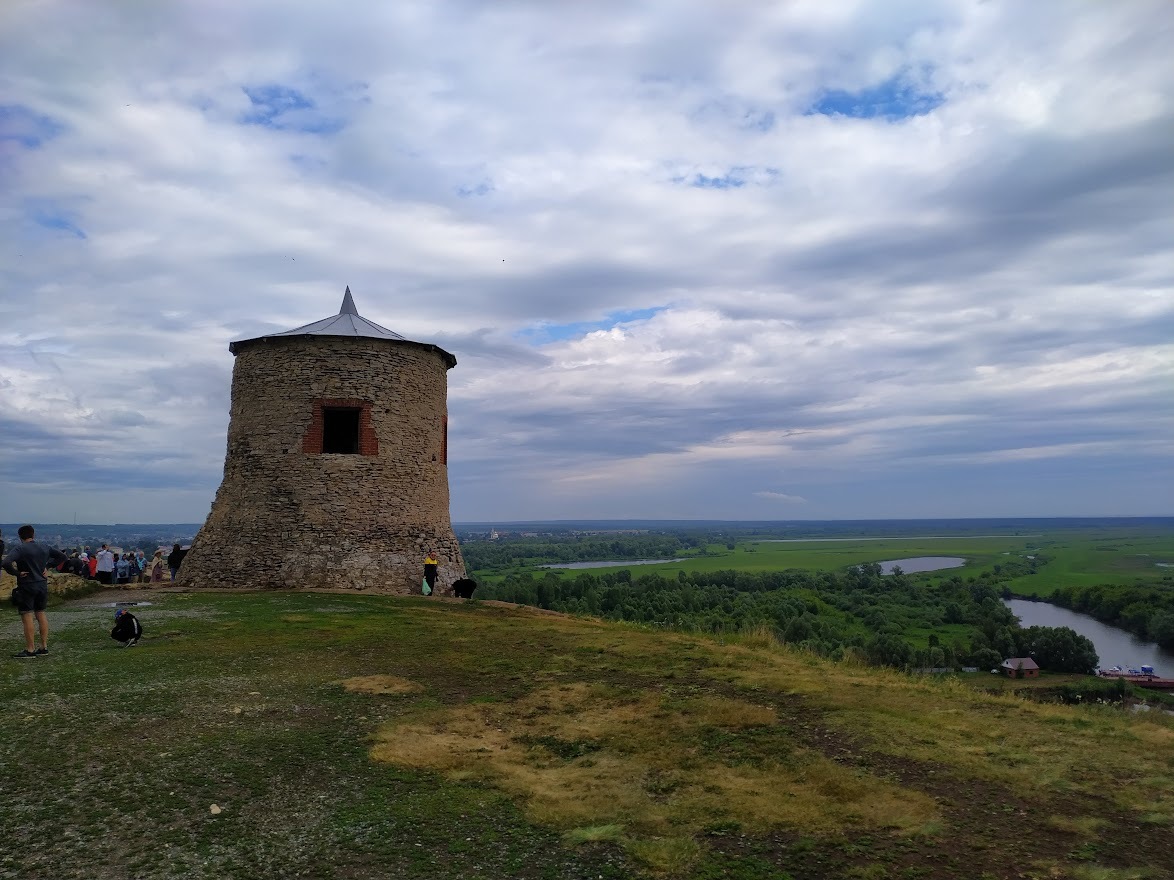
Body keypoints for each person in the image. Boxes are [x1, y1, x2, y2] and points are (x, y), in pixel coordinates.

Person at [2, 525, 67, 658]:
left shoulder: (20, 548)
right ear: (33, 535)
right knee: (41, 614)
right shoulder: (44, 546)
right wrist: (47, 566)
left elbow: (6, 562)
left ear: (20, 536)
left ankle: (30, 649)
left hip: (27, 584)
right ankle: (43, 647)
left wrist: (16, 573)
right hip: (42, 584)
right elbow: (62, 556)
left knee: (27, 616)